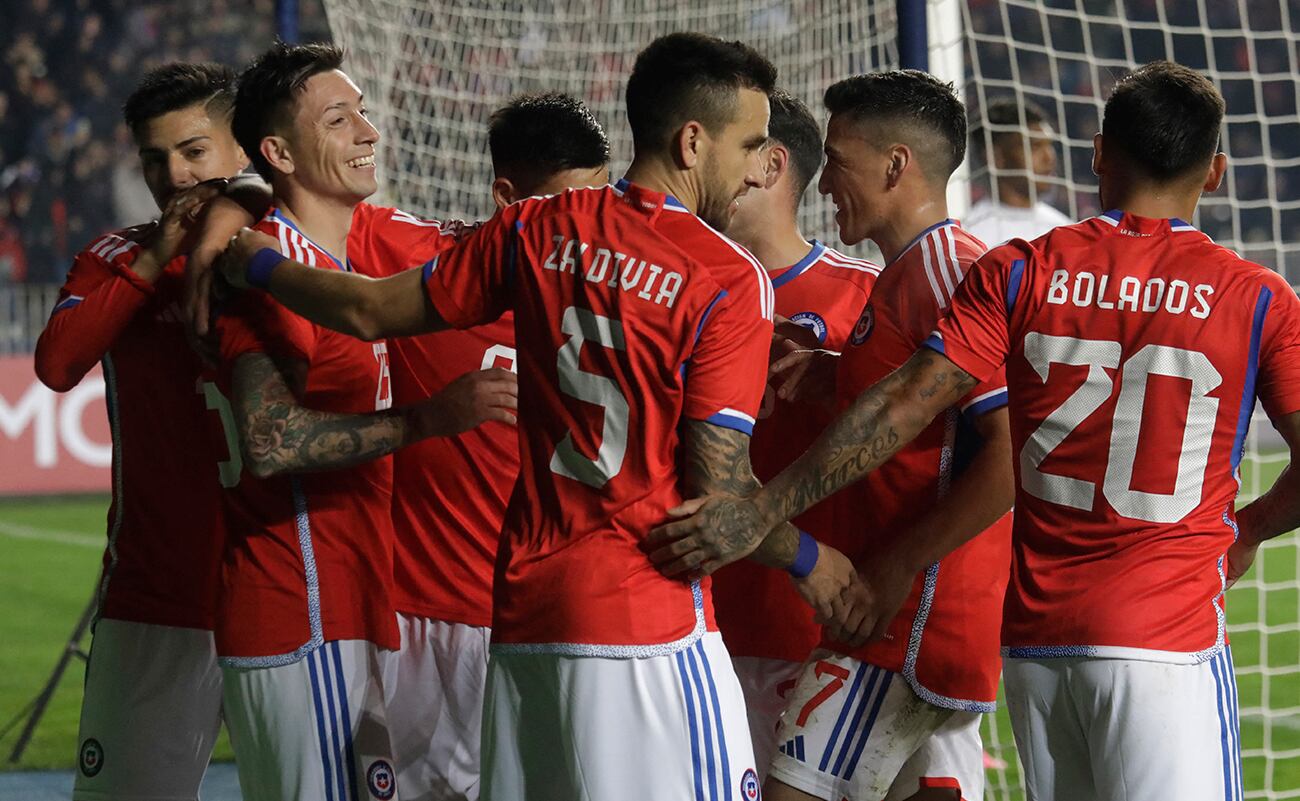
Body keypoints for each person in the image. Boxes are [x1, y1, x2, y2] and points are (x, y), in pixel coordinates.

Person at [205, 31, 859, 800]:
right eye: (750, 144)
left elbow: (369, 309)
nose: (758, 167)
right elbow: (718, 495)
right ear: (692, 141)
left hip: (525, 619)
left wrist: (254, 260)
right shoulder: (726, 277)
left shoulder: (535, 228)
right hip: (644, 621)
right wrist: (812, 559)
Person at [648, 60, 1300, 801]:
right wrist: (1246, 530)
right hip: (1165, 635)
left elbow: (910, 403)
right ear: (1215, 171)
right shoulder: (1257, 298)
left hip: (1036, 642)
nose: (827, 181)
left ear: (1097, 156)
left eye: (836, 162)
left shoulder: (1022, 269)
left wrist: (766, 507)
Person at [214, 42, 515, 801]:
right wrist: (427, 420)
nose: (369, 133)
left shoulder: (339, 262)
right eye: (339, 119)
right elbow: (272, 440)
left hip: (346, 607)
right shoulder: (270, 265)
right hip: (296, 608)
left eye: (365, 114)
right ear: (279, 151)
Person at [729, 70, 1014, 801]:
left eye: (839, 160)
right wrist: (837, 373)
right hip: (905, 613)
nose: (824, 182)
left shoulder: (951, 271)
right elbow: (924, 410)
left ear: (896, 165)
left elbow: (1012, 455)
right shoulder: (904, 276)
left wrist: (894, 567)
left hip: (904, 617)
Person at [372, 93, 610, 801]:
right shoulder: (415, 258)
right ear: (507, 197)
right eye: (571, 202)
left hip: (566, 618)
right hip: (430, 620)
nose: (591, 222)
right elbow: (282, 214)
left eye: (600, 200)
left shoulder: (620, 287)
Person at [33, 62, 248, 801]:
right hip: (156, 600)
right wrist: (159, 257)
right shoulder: (118, 256)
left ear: (242, 147)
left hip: (289, 598)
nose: (174, 174)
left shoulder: (296, 254)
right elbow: (58, 365)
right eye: (154, 159)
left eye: (194, 150)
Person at [710, 89, 880, 776]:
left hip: (813, 628)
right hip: (691, 625)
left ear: (772, 164)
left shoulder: (866, 294)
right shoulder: (682, 282)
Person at [963, 96, 1071, 245]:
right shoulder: (973, 235)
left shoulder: (1063, 227)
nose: (1049, 157)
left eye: (1049, 145)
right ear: (995, 157)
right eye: (1035, 146)